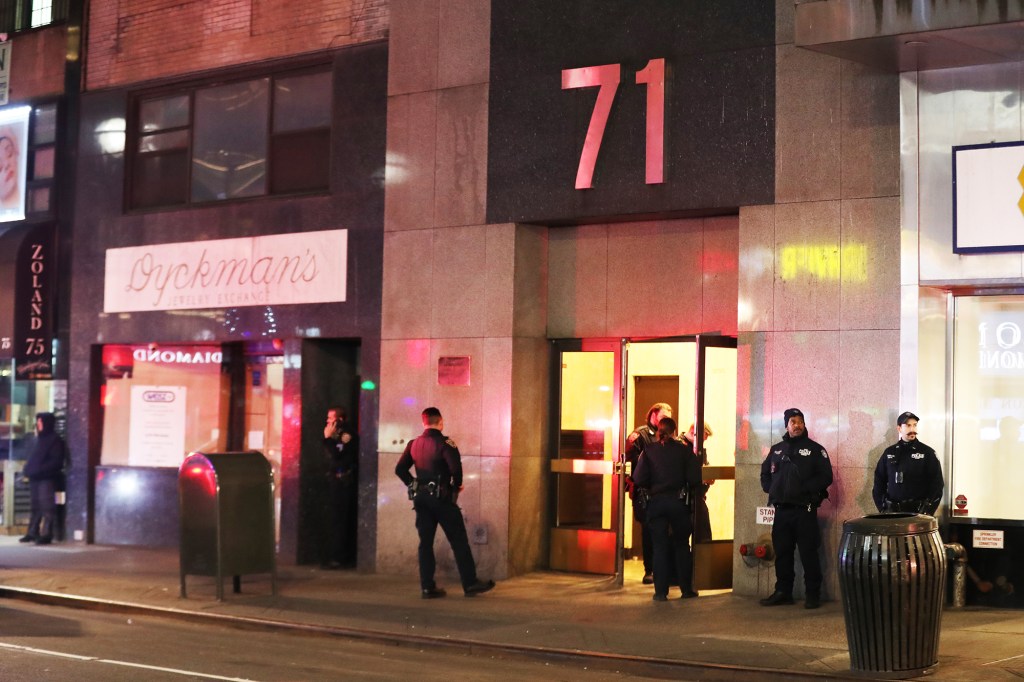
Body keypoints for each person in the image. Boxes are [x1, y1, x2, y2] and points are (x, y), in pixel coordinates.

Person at [395, 407, 495, 599]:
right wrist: (456, 487)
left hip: (421, 499)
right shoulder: (445, 443)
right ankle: (470, 583)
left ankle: (427, 587)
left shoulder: (413, 444)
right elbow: (456, 470)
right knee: (458, 540)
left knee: (425, 543)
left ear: (423, 422)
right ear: (440, 421)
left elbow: (400, 469)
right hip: (441, 498)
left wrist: (413, 483)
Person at [760, 408, 833, 609]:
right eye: (793, 421)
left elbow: (826, 476)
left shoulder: (815, 449)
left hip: (804, 511)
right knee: (782, 553)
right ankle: (783, 591)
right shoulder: (777, 450)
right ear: (786, 425)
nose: (797, 424)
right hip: (782, 512)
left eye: (800, 421)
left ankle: (812, 594)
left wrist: (805, 489)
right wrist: (771, 488)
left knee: (808, 553)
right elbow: (765, 473)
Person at [633, 417, 702, 601]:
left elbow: (639, 478)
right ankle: (686, 590)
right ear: (674, 431)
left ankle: (660, 592)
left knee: (660, 547)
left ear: (658, 430)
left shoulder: (649, 451)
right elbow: (695, 479)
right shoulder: (684, 451)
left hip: (656, 505)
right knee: (681, 546)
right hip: (678, 504)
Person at [624, 402, 672, 585]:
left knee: (662, 530)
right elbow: (628, 458)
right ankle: (649, 570)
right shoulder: (640, 435)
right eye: (662, 417)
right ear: (653, 415)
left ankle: (662, 568)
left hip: (661, 491)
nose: (664, 422)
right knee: (648, 531)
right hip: (644, 491)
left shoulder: (666, 435)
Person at [872, 411, 943, 515]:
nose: (912, 429)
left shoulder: (927, 453)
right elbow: (879, 482)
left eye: (915, 425)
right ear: (899, 428)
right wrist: (883, 508)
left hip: (918, 514)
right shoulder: (889, 452)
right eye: (908, 426)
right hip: (893, 514)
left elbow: (937, 485)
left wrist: (927, 512)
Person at [20, 412, 68, 545]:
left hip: (46, 478)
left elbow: (56, 461)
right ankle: (32, 532)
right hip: (36, 477)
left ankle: (46, 534)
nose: (38, 424)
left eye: (40, 422)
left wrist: (38, 470)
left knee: (47, 507)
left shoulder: (54, 440)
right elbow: (32, 458)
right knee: (36, 506)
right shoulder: (38, 440)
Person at [322, 406, 358, 568]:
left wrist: (328, 439)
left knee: (341, 520)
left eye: (331, 419)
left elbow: (337, 454)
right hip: (336, 480)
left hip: (344, 481)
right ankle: (336, 555)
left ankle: (340, 557)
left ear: (340, 419)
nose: (328, 422)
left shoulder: (346, 434)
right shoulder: (337, 434)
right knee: (335, 520)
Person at [682, 422, 713, 543]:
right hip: (686, 499)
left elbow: (706, 466)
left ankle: (701, 561)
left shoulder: (697, 449)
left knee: (703, 538)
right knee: (684, 541)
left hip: (697, 497)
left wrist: (709, 476)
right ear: (693, 431)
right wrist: (702, 477)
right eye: (702, 439)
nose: (702, 443)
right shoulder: (680, 447)